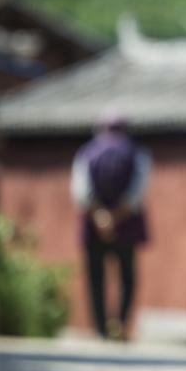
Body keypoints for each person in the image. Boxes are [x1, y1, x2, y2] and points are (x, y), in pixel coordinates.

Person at [70, 111, 152, 341]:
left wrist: (100, 217)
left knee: (96, 277)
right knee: (127, 277)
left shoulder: (86, 153)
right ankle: (122, 324)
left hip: (93, 225)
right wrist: (115, 217)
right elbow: (137, 192)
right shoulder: (137, 153)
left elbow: (81, 192)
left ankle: (101, 328)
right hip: (127, 225)